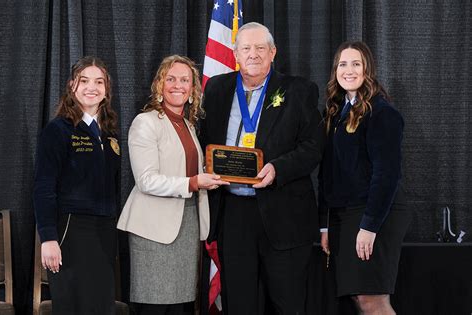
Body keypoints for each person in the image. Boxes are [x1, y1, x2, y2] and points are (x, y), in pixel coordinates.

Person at [200, 22, 323, 314]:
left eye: (260, 48)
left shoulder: (299, 90)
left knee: (287, 303)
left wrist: (277, 169)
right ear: (236, 54)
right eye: (246, 48)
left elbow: (313, 147)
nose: (253, 54)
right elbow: (204, 139)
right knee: (239, 302)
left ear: (273, 52)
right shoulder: (216, 88)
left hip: (284, 214)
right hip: (233, 214)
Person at [117, 55, 228, 315]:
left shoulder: (188, 125)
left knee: (181, 306)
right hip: (154, 230)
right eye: (171, 79)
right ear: (160, 85)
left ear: (192, 89)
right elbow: (146, 180)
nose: (178, 85)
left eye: (185, 80)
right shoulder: (145, 123)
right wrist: (193, 182)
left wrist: (209, 178)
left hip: (188, 225)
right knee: (154, 306)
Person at [318, 41, 411, 314]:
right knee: (359, 298)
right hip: (345, 216)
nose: (349, 70)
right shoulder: (335, 112)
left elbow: (387, 174)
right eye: (343, 64)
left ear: (367, 69)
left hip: (375, 214)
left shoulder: (382, 113)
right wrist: (324, 225)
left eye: (356, 64)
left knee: (373, 300)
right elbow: (328, 172)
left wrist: (369, 227)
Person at [33, 56, 120, 314]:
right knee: (73, 306)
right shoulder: (58, 130)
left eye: (99, 82)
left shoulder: (110, 133)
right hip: (70, 230)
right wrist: (48, 237)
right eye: (84, 81)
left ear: (106, 90)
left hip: (104, 231)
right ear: (72, 85)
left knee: (101, 307)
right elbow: (43, 187)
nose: (91, 87)